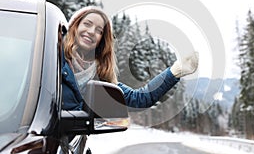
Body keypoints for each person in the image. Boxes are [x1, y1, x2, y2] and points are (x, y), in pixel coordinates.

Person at [61, 6, 199, 111]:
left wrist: (175, 71)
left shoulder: (101, 79)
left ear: (101, 41)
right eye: (87, 24)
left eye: (99, 31)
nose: (91, 32)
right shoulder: (53, 61)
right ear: (74, 26)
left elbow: (140, 98)